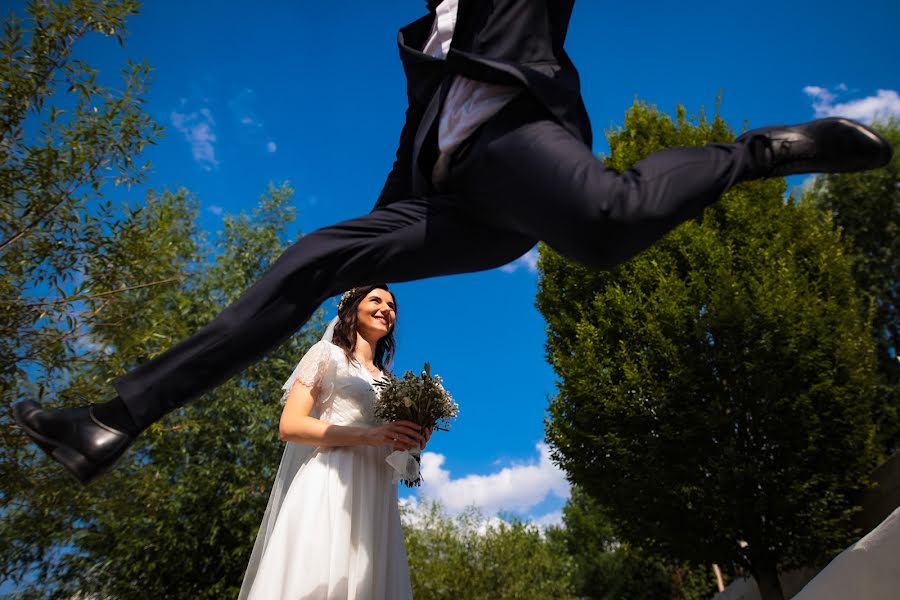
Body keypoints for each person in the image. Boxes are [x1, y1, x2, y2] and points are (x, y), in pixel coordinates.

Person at [13, 0, 893, 484]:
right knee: (312, 259)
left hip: (519, 146)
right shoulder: (418, 45)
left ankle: (760, 151)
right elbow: (407, 157)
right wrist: (372, 250)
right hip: (447, 196)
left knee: (604, 227)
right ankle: (115, 418)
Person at [239, 284, 421, 600]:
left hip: (376, 494)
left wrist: (412, 442)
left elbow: (398, 461)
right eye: (375, 300)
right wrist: (366, 435)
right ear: (351, 309)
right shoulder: (326, 355)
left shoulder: (392, 384)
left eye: (391, 306)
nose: (386, 309)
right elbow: (290, 425)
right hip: (331, 482)